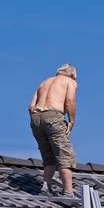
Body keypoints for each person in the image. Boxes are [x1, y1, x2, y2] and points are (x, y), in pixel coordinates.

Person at [28, 63, 78, 197]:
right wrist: (71, 121)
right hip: (53, 115)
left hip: (36, 118)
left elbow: (31, 106)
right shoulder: (69, 81)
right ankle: (68, 191)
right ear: (72, 75)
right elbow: (70, 100)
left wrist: (38, 121)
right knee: (64, 153)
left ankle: (46, 186)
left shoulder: (44, 82)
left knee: (48, 154)